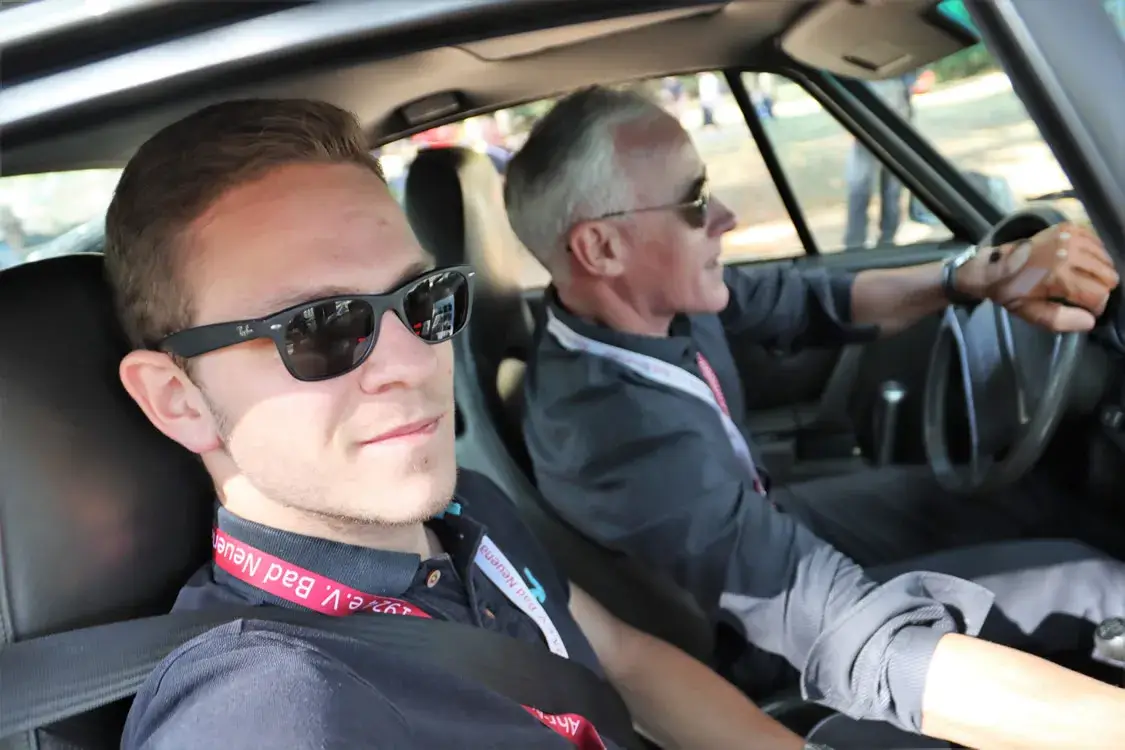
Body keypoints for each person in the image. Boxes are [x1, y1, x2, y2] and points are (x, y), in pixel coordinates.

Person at [106, 97, 808, 750]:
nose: (415, 360)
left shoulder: (468, 512)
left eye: (422, 299)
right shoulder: (269, 710)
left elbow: (624, 660)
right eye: (319, 327)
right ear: (178, 400)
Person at [505, 85, 1125, 747]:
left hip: (768, 525)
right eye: (694, 202)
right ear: (601, 249)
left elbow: (810, 302)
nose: (726, 216)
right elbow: (838, 630)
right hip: (754, 635)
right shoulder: (613, 438)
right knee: (1098, 586)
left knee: (1024, 499)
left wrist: (971, 277)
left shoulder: (653, 309)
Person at [843, 73, 916, 249]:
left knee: (890, 185)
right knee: (863, 184)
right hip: (870, 94)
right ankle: (857, 242)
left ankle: (884, 239)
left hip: (892, 95)